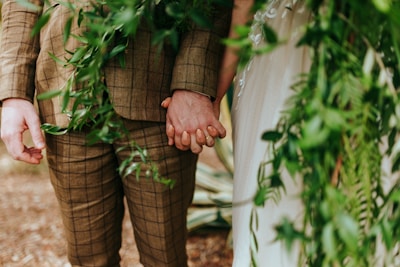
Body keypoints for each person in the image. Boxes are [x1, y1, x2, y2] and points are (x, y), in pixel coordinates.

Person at [0, 0, 229, 266]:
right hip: (66, 96)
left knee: (165, 256)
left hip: (160, 94)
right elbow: (21, 4)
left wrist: (192, 84)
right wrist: (13, 94)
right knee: (88, 258)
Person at [165, 0, 312, 266]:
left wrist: (214, 95)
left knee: (275, 186)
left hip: (280, 56)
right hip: (284, 55)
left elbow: (242, 7)